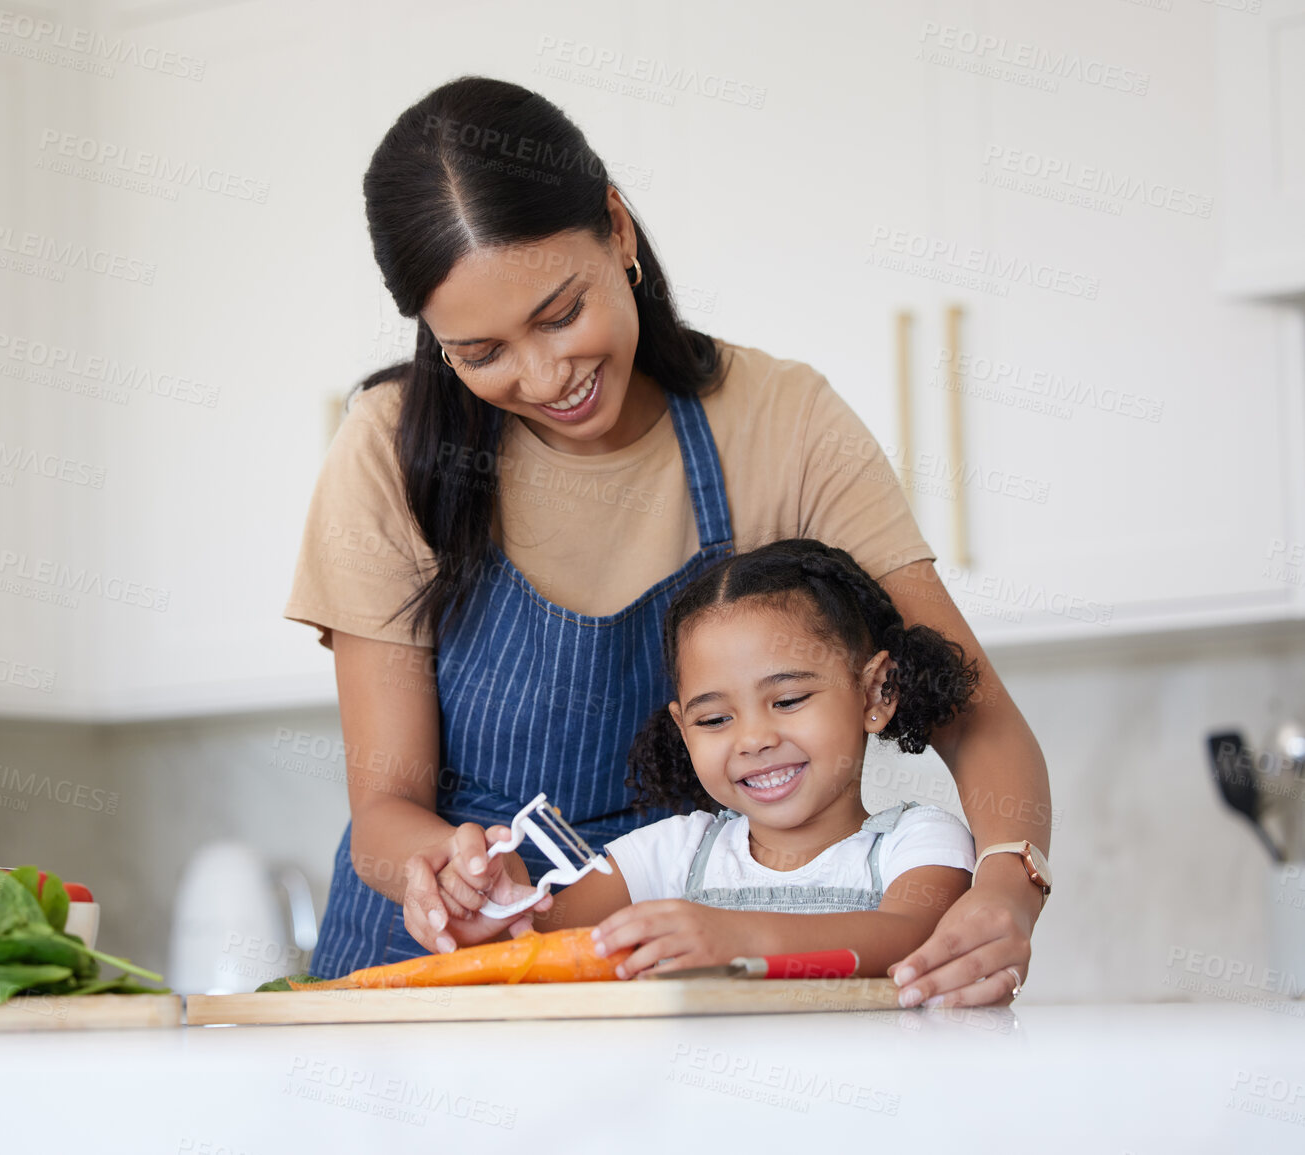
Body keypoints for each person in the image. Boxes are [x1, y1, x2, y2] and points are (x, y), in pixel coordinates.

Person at [283, 76, 1052, 1005]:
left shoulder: (780, 421)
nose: (543, 375)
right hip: (439, 975)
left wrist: (1010, 886)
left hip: (681, 984)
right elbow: (383, 810)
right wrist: (439, 868)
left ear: (617, 229)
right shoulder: (389, 445)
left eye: (561, 313)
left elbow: (973, 710)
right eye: (480, 353)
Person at [467, 539, 988, 992]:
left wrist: (743, 938)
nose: (754, 740)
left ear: (877, 690)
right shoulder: (671, 854)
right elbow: (537, 945)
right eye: (715, 719)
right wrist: (494, 907)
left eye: (787, 700)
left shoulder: (917, 842)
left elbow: (914, 936)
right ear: (683, 727)